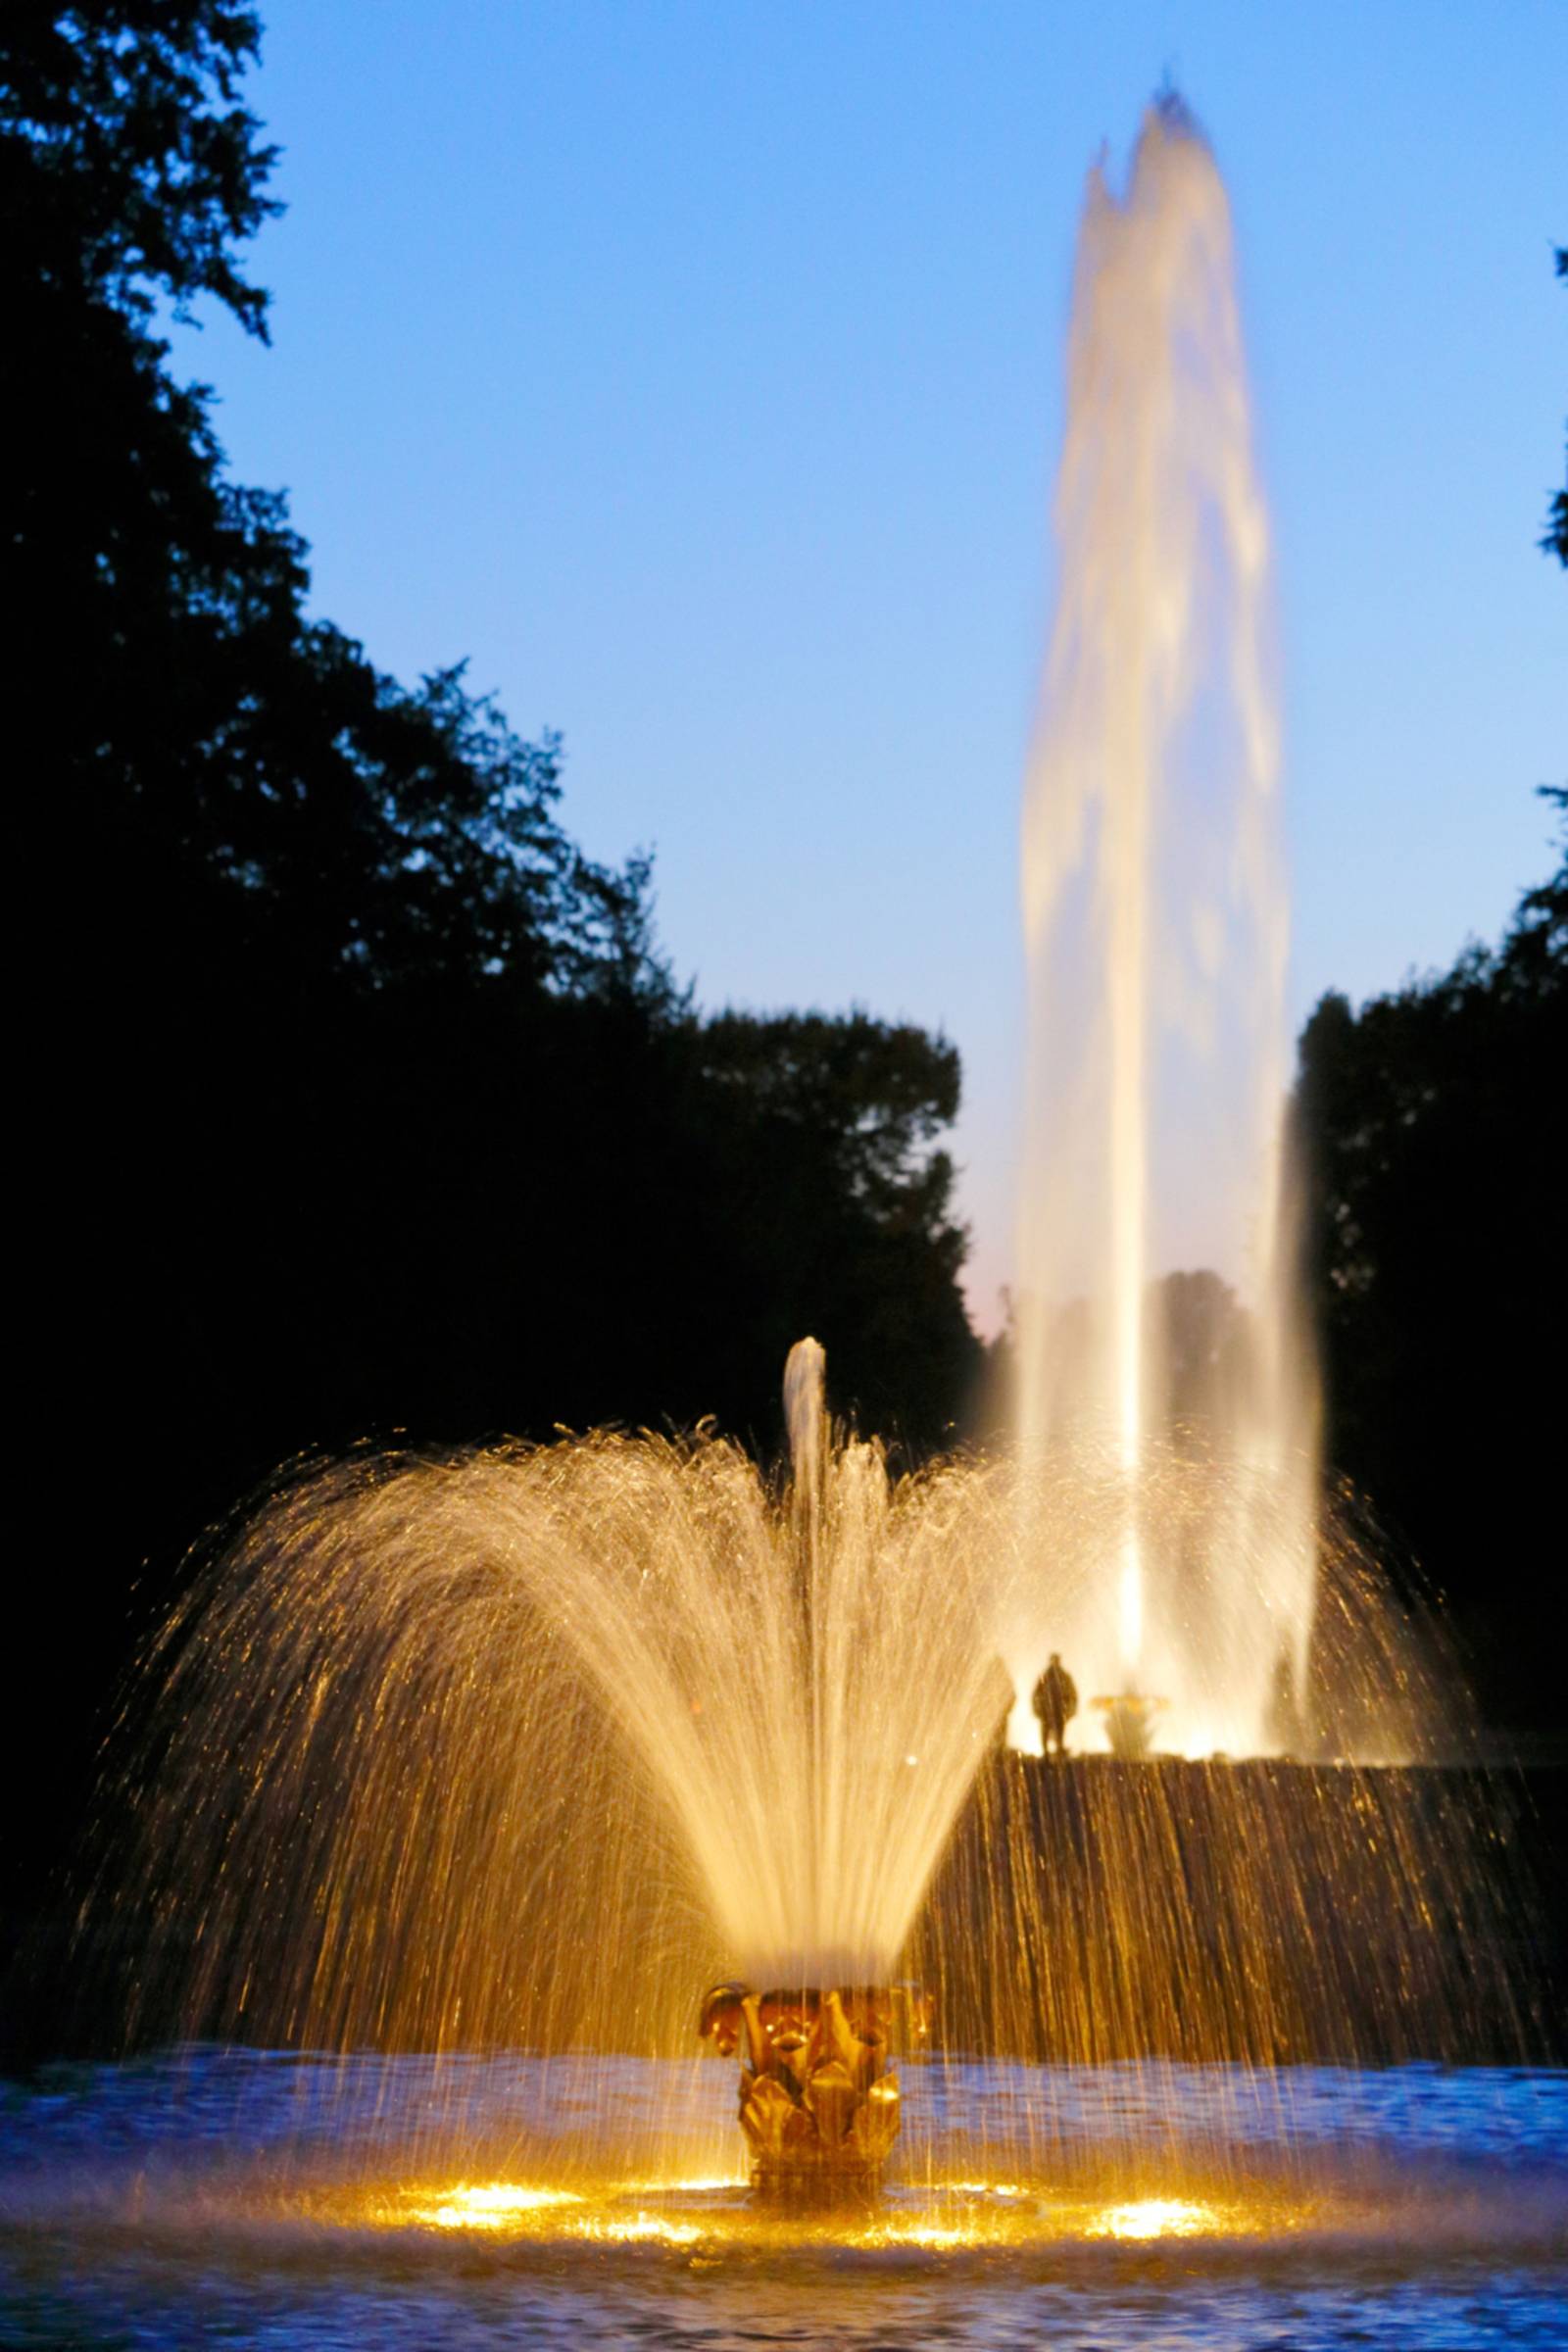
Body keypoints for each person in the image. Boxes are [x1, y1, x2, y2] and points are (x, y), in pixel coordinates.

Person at [1032, 1653, 1078, 1758]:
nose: (1055, 1663)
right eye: (1053, 1661)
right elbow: (1036, 1693)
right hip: (1047, 1709)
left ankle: (1058, 1748)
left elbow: (1072, 1692)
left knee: (1059, 1728)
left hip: (1059, 1708)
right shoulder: (1045, 1676)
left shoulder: (1063, 1676)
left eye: (1056, 1661)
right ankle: (1046, 1751)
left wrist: (1071, 1706)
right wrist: (1037, 1707)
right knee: (1047, 1728)